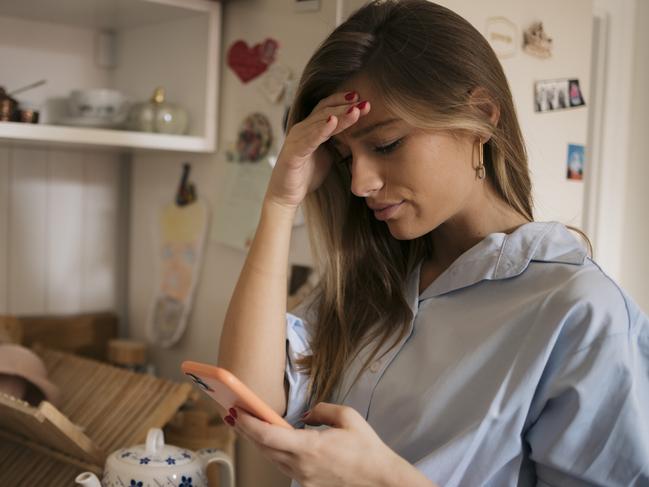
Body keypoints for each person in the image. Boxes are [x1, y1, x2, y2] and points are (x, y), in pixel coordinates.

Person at [216, 1, 649, 486]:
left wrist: (384, 480)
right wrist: (280, 201)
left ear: (478, 117)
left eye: (385, 145)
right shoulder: (374, 282)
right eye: (344, 157)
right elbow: (250, 399)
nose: (359, 183)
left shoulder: (581, 314)